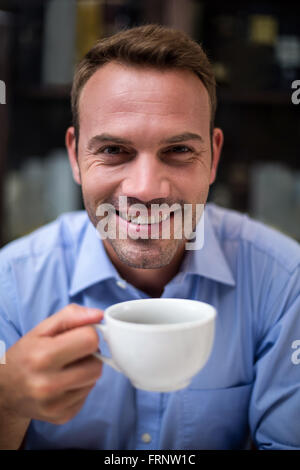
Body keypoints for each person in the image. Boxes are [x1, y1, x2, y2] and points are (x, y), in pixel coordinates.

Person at [0, 24, 300, 451]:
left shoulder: (285, 281)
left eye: (178, 151)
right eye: (113, 151)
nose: (145, 189)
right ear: (75, 156)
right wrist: (7, 404)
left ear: (213, 158)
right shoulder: (10, 285)